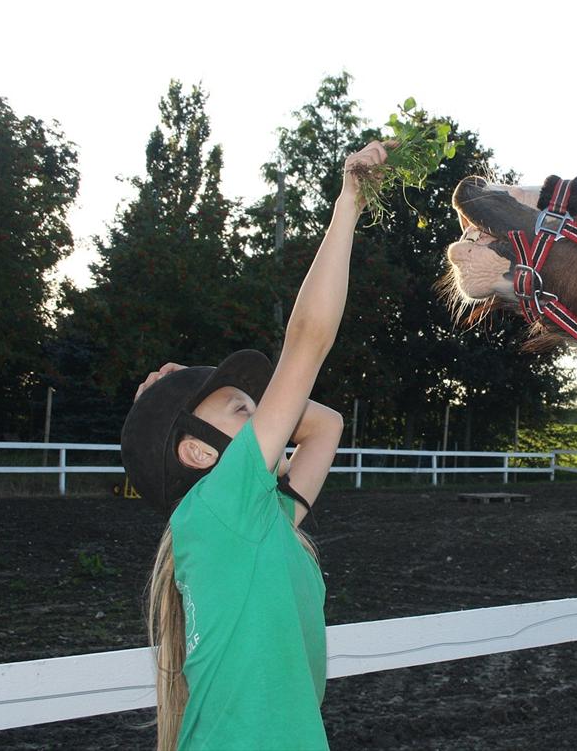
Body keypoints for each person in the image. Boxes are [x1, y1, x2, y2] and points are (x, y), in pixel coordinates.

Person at [120, 141, 389, 751]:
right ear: (197, 453)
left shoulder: (259, 519)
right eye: (242, 408)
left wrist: (200, 386)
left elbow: (323, 424)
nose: (265, 412)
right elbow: (307, 344)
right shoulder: (219, 507)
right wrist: (347, 202)